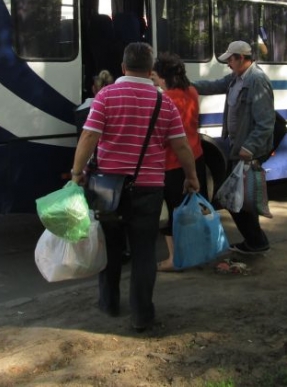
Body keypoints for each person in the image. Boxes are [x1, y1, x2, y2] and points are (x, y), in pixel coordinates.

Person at [70, 43, 200, 332]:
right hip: (148, 189)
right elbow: (180, 144)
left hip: (108, 189)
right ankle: (142, 315)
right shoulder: (163, 102)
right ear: (150, 70)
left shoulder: (105, 95)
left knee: (111, 249)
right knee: (143, 252)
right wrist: (191, 176)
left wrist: (77, 173)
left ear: (123, 67)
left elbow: (89, 136)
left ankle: (109, 303)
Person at [192, 40, 275, 254]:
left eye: (230, 59)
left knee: (235, 198)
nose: (228, 63)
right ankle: (256, 241)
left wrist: (250, 147)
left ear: (241, 58)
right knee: (240, 198)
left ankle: (256, 241)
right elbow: (214, 85)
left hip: (247, 150)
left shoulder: (257, 81)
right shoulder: (236, 78)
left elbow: (266, 122)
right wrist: (185, 84)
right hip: (236, 147)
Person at [151, 52, 207, 272]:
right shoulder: (192, 91)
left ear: (163, 76)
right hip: (196, 157)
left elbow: (164, 136)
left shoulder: (164, 100)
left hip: (172, 163)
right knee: (191, 210)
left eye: (155, 75)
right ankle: (195, 252)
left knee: (173, 214)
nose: (153, 79)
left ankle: (174, 258)